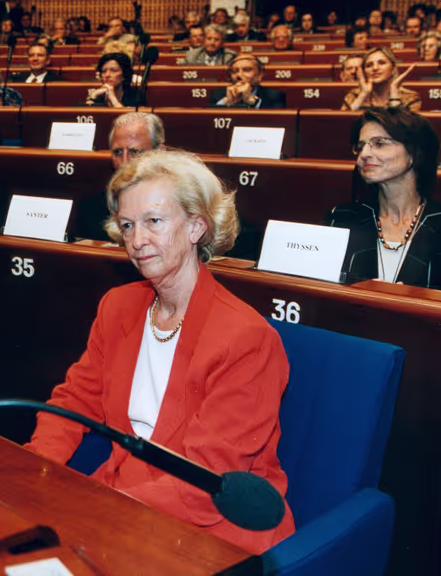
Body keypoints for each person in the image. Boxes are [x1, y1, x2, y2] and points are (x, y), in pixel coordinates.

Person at [27, 148, 295, 553]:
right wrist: (35, 470)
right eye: (127, 225)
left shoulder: (247, 338)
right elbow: (75, 400)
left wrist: (90, 508)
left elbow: (207, 481)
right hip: (125, 495)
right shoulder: (118, 306)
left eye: (153, 221)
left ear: (196, 227)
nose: (136, 241)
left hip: (211, 527)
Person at [328, 108, 441, 292]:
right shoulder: (340, 218)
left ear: (414, 152)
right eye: (360, 146)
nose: (364, 154)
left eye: (379, 143)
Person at [74, 112, 165, 241]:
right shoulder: (90, 210)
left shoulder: (178, 205)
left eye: (134, 151)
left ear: (158, 152)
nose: (124, 162)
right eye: (118, 152)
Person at [342, 47, 419, 111]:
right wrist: (362, 96)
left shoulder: (410, 98)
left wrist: (394, 96)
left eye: (382, 63)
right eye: (369, 65)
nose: (375, 68)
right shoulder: (354, 96)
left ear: (393, 69)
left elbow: (404, 124)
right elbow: (345, 122)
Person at [209, 54, 286, 109]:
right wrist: (226, 102)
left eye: (247, 70)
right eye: (235, 71)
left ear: (260, 74)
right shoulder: (217, 95)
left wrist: (253, 102)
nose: (239, 75)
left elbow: (275, 121)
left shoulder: (275, 96)